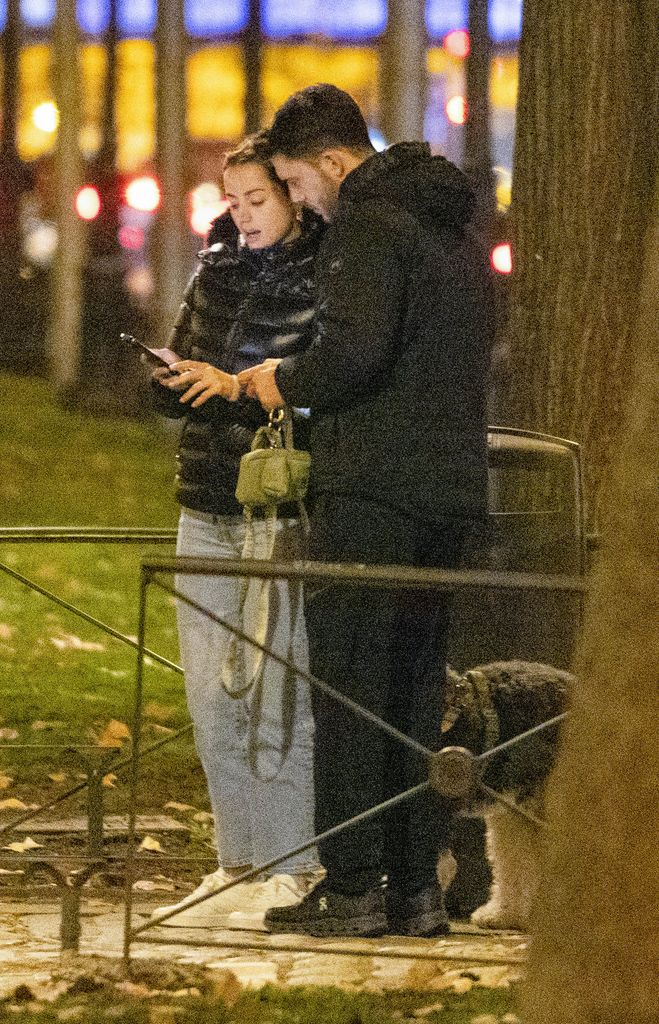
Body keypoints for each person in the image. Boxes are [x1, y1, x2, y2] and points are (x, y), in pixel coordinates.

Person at [240, 85, 495, 938]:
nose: (302, 203)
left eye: (297, 184)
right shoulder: (454, 224)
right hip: (451, 489)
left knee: (349, 692)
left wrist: (282, 379)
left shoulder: (369, 224)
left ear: (332, 162)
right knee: (414, 700)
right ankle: (416, 890)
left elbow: (352, 352)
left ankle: (353, 886)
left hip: (373, 487)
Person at [148, 131, 325, 927]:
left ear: (291, 195)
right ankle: (237, 862)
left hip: (276, 510)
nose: (244, 216)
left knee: (275, 693)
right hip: (205, 503)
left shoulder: (328, 276)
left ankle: (295, 865)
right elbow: (182, 377)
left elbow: (325, 390)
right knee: (210, 695)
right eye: (234, 202)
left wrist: (240, 389)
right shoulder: (213, 271)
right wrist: (172, 380)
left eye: (258, 199)